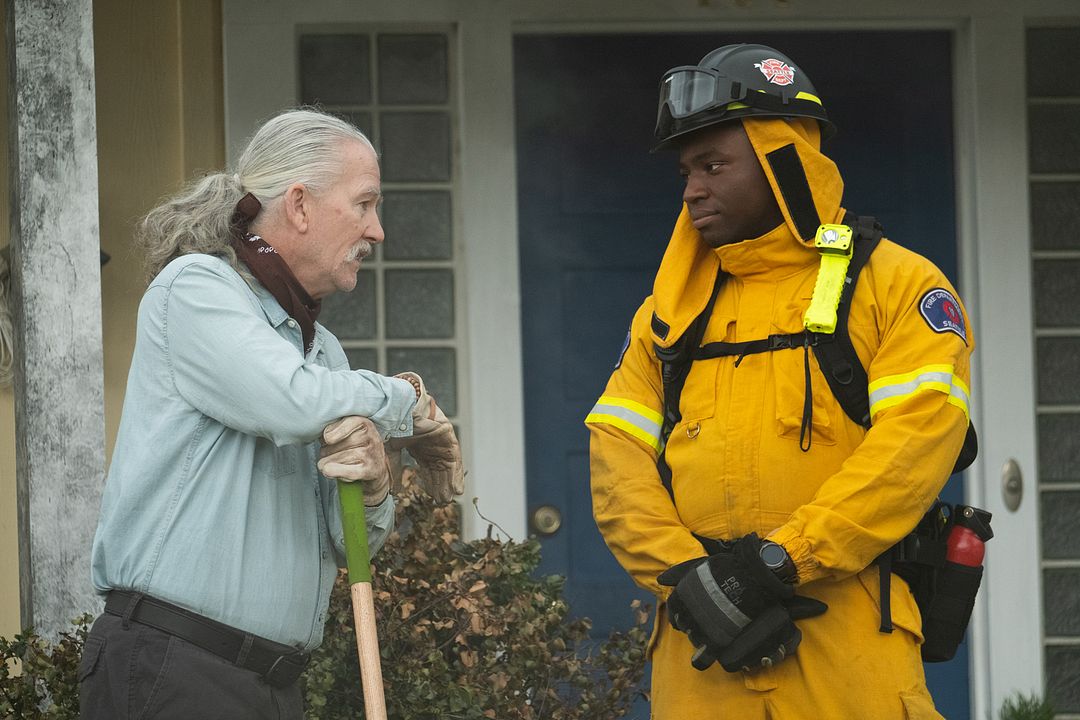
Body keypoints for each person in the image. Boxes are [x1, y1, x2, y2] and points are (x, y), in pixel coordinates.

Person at [587, 44, 973, 718]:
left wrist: (777, 564)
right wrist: (689, 583)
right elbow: (616, 459)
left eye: (714, 166)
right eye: (686, 171)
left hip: (847, 646)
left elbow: (914, 451)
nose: (692, 190)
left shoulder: (898, 285)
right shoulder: (667, 316)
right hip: (701, 648)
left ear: (782, 161)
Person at [79, 108, 464, 720]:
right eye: (364, 205)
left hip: (272, 685)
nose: (378, 230)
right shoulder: (197, 290)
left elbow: (345, 546)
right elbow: (289, 401)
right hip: (176, 669)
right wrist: (410, 404)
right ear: (301, 204)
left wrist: (372, 488)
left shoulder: (323, 354)